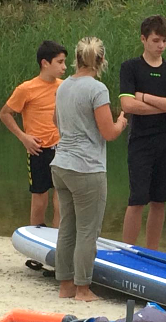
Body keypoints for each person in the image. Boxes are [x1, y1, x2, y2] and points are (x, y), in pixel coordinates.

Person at [50, 37, 128, 302]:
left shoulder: (63, 86)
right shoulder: (98, 89)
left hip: (61, 164)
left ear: (77, 59)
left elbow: (55, 120)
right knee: (87, 231)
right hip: (86, 168)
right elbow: (109, 133)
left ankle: (65, 286)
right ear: (101, 60)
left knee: (67, 227)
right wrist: (121, 122)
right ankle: (83, 288)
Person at [120, 15, 166, 250]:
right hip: (140, 140)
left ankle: (151, 251)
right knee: (137, 199)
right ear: (143, 39)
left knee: (160, 200)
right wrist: (164, 106)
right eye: (156, 40)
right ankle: (128, 250)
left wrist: (145, 97)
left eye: (164, 41)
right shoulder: (130, 67)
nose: (161, 45)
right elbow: (128, 106)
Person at [0, 40, 67, 227]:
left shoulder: (64, 87)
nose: (64, 67)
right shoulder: (26, 88)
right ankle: (36, 234)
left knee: (61, 197)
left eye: (64, 62)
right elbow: (5, 113)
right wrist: (23, 137)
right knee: (39, 198)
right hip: (38, 148)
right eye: (60, 62)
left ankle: (58, 237)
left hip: (62, 147)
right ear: (45, 63)